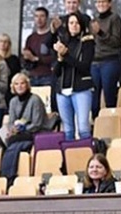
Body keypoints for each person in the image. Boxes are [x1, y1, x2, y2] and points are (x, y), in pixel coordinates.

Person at [0, 73, 48, 183]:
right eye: (16, 84)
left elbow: (37, 123)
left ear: (27, 85)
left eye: (22, 83)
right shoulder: (13, 101)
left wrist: (21, 130)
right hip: (18, 133)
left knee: (13, 143)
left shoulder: (35, 100)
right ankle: (3, 175)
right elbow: (11, 121)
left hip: (33, 132)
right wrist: (12, 130)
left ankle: (8, 176)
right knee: (2, 140)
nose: (20, 86)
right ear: (13, 86)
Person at [53, 12, 95, 141]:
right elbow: (56, 72)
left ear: (81, 25)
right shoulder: (63, 42)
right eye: (71, 23)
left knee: (83, 128)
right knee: (68, 130)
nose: (74, 26)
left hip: (81, 88)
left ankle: (87, 155)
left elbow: (84, 67)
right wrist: (60, 59)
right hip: (62, 90)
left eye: (77, 23)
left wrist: (65, 56)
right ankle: (70, 158)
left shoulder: (87, 42)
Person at [89, 0, 121, 117]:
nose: (101, 4)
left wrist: (100, 33)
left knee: (109, 96)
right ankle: (95, 124)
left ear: (109, 4)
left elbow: (116, 42)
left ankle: (111, 124)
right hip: (94, 62)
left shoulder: (115, 18)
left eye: (104, 1)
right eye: (98, 2)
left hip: (110, 60)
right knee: (94, 97)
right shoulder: (94, 20)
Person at [22, 7, 55, 87]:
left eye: (42, 16)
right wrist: (26, 57)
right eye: (36, 16)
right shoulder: (30, 38)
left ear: (46, 18)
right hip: (32, 75)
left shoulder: (52, 36)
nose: (39, 19)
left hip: (47, 76)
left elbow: (54, 57)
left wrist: (36, 59)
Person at [0, 33, 21, 103]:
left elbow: (16, 74)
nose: (3, 44)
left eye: (5, 42)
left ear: (9, 44)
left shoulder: (14, 59)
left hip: (10, 90)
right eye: (0, 41)